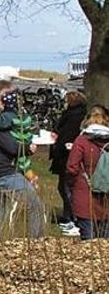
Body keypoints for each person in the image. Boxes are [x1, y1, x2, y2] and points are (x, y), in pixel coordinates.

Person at [0, 82, 44, 239]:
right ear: (3, 96)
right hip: (3, 172)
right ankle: (36, 242)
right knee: (34, 204)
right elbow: (12, 147)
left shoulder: (2, 120)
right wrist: (28, 147)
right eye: (13, 96)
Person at [66, 106, 109, 240]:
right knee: (105, 243)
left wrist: (72, 186)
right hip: (106, 198)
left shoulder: (81, 141)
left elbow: (72, 168)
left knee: (88, 243)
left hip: (85, 196)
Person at [51, 91, 87, 235]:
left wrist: (57, 141)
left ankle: (73, 217)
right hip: (64, 155)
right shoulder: (74, 114)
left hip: (66, 155)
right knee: (64, 187)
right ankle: (68, 215)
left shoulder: (74, 116)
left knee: (66, 187)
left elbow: (67, 135)